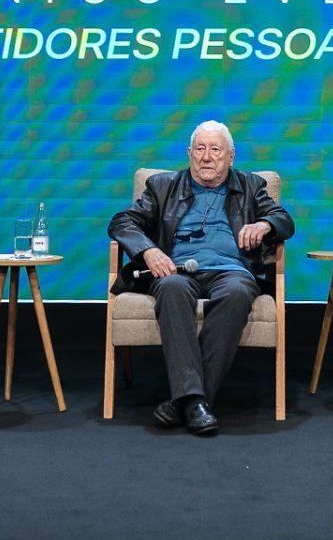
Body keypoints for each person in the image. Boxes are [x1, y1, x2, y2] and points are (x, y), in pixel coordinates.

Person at [108, 120, 295, 435]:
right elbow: (122, 221)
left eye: (215, 150)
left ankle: (183, 401)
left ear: (230, 157)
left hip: (232, 271)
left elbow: (284, 220)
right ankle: (196, 403)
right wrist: (149, 252)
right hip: (178, 270)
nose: (207, 157)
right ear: (189, 154)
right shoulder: (162, 185)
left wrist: (263, 226)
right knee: (170, 288)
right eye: (200, 149)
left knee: (237, 292)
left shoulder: (251, 185)